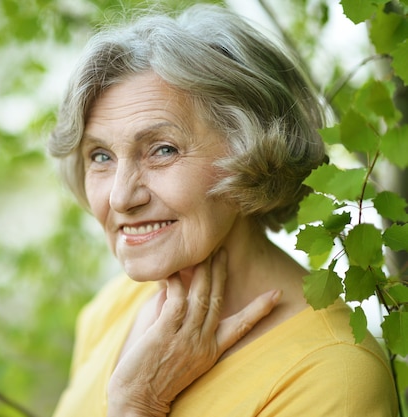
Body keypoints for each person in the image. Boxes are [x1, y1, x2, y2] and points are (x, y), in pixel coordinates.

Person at [48, 4, 398, 416]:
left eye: (162, 150)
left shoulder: (333, 376)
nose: (121, 198)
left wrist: (137, 405)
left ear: (253, 153)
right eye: (101, 156)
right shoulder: (115, 305)